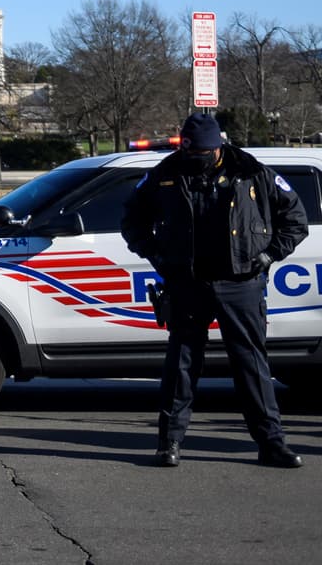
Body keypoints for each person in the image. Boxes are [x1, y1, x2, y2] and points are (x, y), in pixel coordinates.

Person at [121, 113, 308, 468]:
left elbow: (294, 220)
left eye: (201, 154)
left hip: (241, 282)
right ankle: (169, 443)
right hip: (188, 282)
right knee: (182, 364)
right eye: (189, 153)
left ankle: (271, 443)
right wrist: (157, 256)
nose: (194, 160)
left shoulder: (252, 171)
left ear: (218, 148)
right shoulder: (166, 173)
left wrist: (268, 256)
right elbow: (131, 219)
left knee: (251, 364)